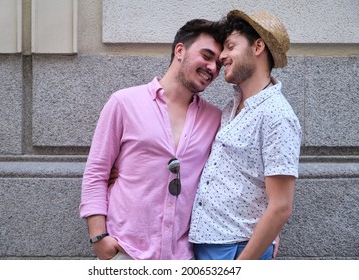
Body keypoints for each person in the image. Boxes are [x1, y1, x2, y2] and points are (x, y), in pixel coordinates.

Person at [79, 18, 226, 260]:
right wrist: (98, 237)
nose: (212, 68)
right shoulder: (124, 103)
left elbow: (232, 181)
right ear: (180, 50)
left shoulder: (215, 119)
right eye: (206, 56)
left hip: (183, 256)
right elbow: (97, 171)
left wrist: (266, 231)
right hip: (126, 251)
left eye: (218, 64)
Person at [189, 9, 302, 260]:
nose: (222, 56)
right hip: (212, 243)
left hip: (236, 250)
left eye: (230, 46)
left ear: (258, 46)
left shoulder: (277, 115)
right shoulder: (232, 108)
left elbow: (281, 206)